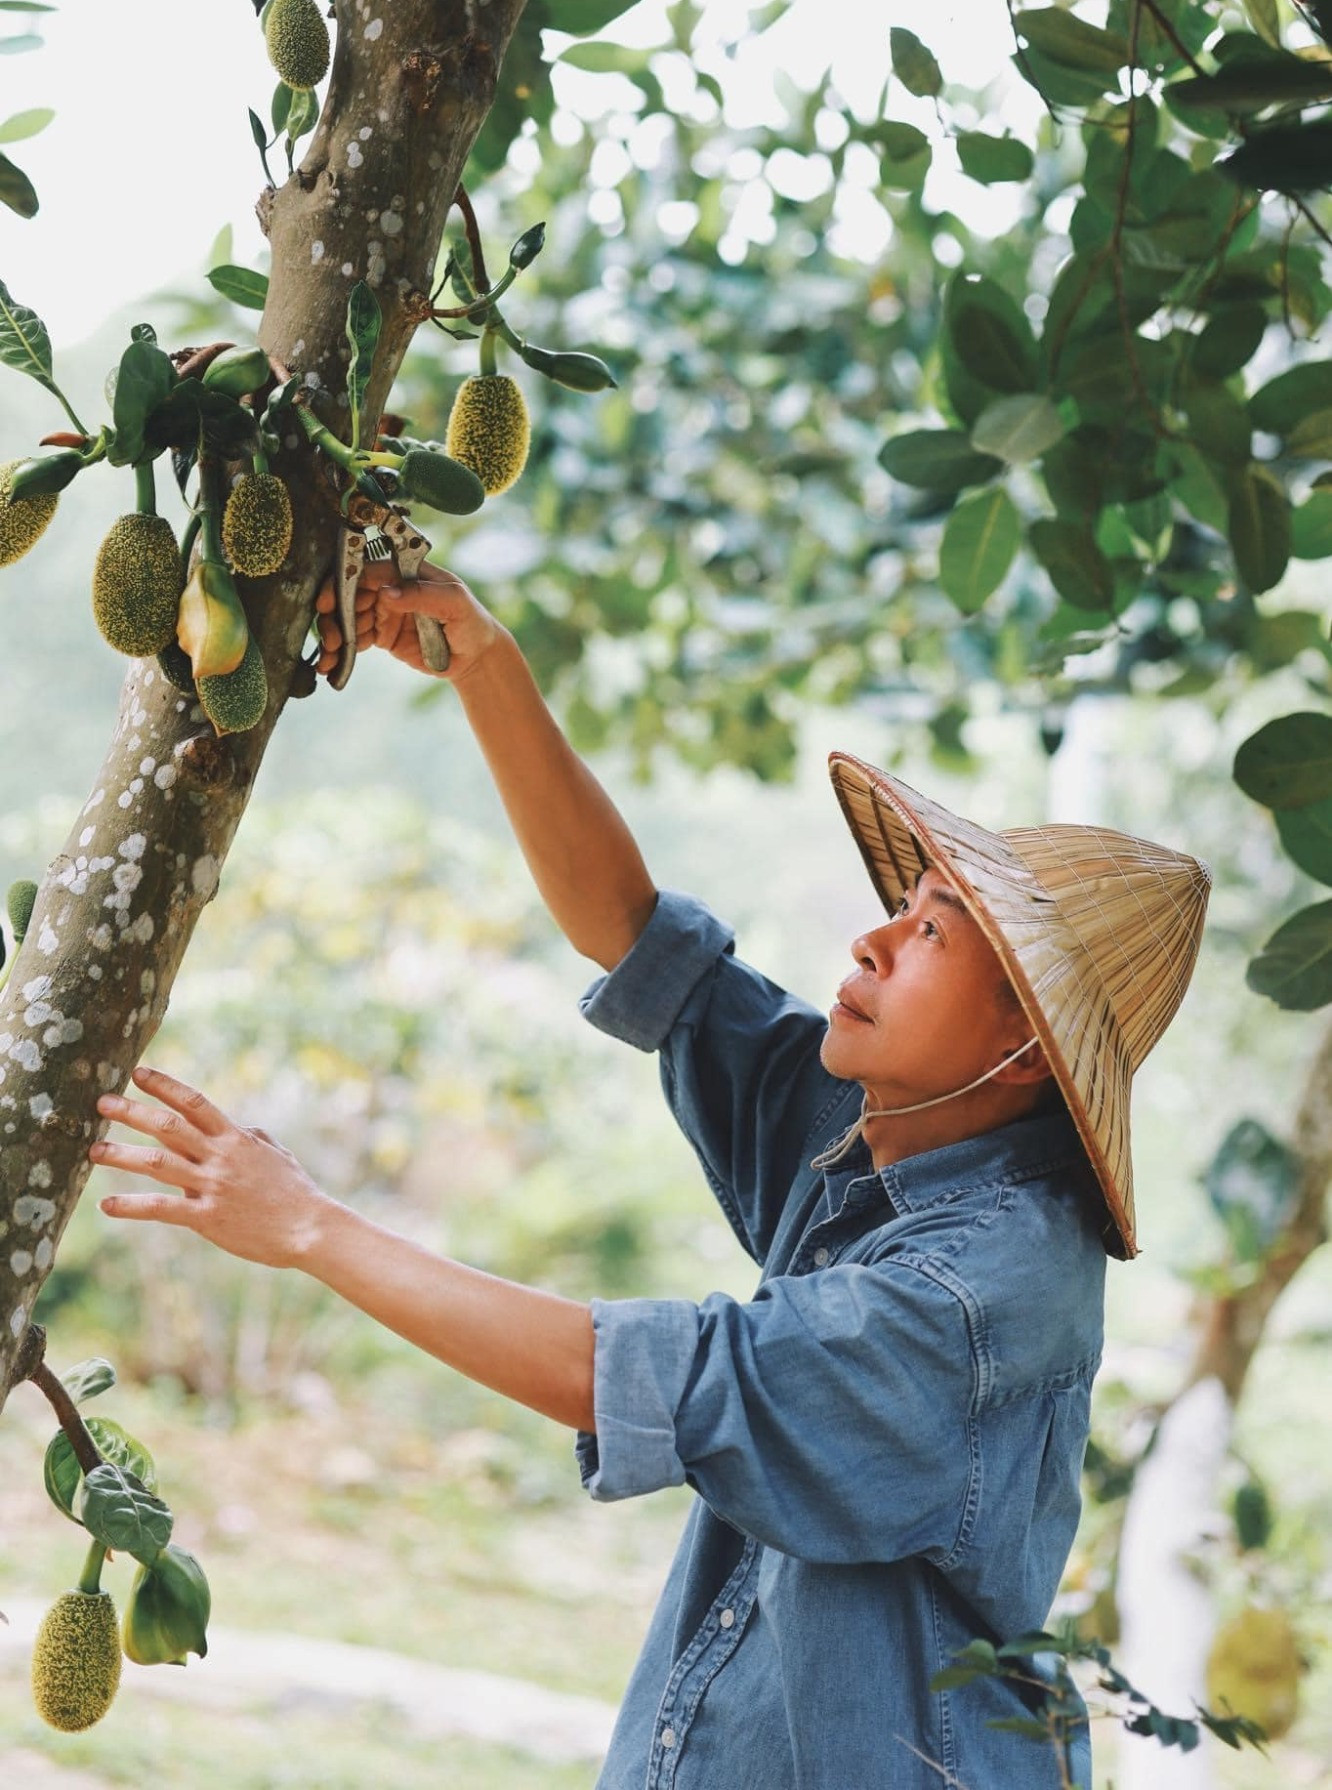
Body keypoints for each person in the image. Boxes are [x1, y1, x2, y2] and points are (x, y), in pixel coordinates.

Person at [90, 560, 1211, 1790]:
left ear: (1019, 1045)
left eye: (934, 931)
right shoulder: (882, 1127)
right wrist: (483, 662)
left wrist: (305, 1224)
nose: (875, 936)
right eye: (908, 903)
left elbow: (652, 1377)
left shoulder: (976, 1289)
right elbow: (640, 939)